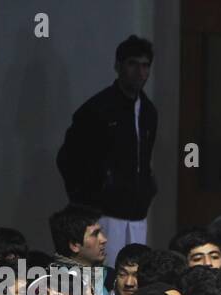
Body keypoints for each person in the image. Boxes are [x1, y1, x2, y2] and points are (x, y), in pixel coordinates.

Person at [57, 36, 158, 255]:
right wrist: (89, 200)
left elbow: (144, 158)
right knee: (105, 276)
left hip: (137, 212)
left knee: (134, 272)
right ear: (118, 65)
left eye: (145, 65)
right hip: (105, 212)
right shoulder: (97, 109)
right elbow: (68, 158)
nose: (140, 72)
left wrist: (147, 187)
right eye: (133, 64)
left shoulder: (149, 111)